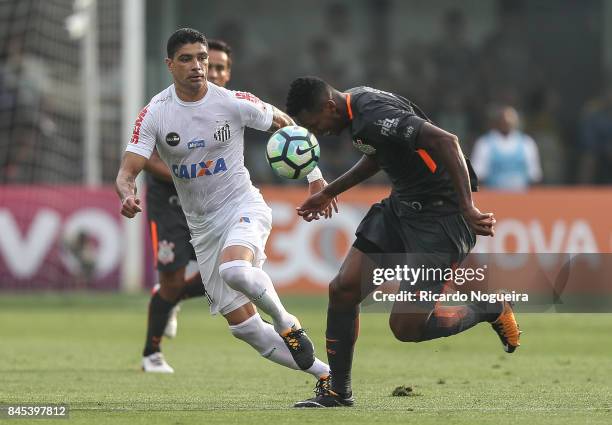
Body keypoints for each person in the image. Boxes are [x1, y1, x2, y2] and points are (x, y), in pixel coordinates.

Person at [285, 77, 521, 408]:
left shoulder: (372, 112)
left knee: (406, 326)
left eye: (315, 124)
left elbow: (446, 141)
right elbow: (379, 154)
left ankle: (487, 308)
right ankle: (339, 391)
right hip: (402, 206)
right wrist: (328, 192)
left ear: (328, 106)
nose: (318, 132)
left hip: (441, 218)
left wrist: (467, 206)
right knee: (343, 288)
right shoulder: (355, 109)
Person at [116, 29, 332, 383]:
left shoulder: (232, 101)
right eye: (186, 59)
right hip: (202, 228)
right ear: (170, 65)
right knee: (245, 329)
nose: (197, 66)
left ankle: (286, 322)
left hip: (241, 206)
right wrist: (126, 193)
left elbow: (285, 124)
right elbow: (127, 171)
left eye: (201, 58)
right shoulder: (155, 113)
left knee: (235, 270)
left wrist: (314, 174)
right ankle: (329, 377)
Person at [139, 39, 238, 373]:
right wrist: (185, 176)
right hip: (169, 203)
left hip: (211, 205)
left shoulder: (230, 108)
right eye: (212, 66)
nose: (216, 73)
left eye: (222, 68)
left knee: (232, 272)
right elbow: (145, 157)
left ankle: (174, 298)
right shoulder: (166, 106)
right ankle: (151, 353)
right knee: (170, 281)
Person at [471, 105, 542, 191]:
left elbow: (534, 176)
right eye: (503, 119)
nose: (507, 121)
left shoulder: (527, 143)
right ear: (497, 121)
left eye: (510, 118)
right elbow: (478, 176)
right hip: (493, 198)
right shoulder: (484, 144)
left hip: (521, 198)